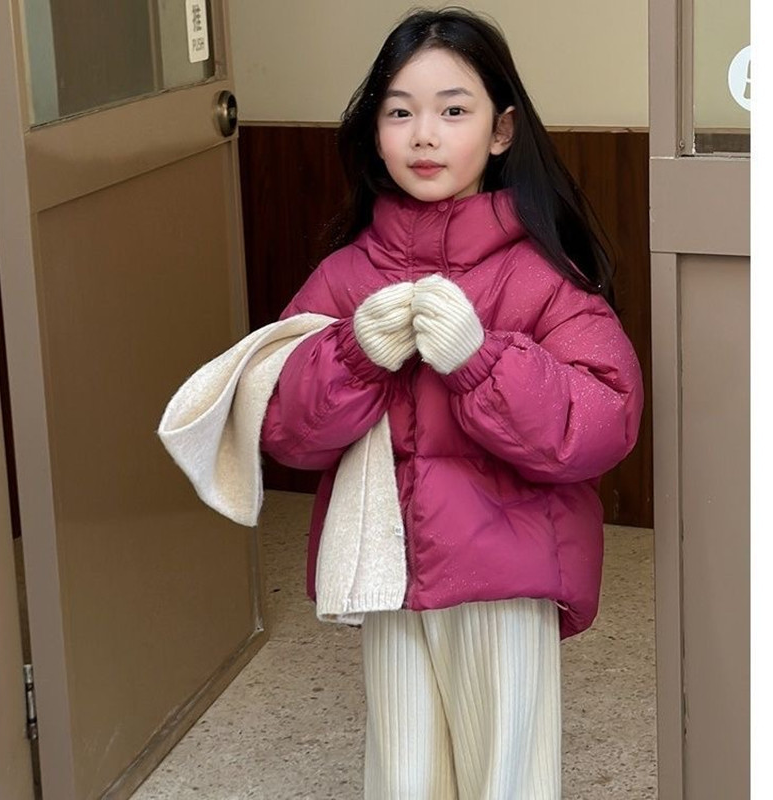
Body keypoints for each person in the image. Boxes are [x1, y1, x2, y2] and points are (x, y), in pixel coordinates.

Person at [259, 7, 644, 799]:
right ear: (374, 130)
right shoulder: (344, 276)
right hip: (389, 574)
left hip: (508, 573)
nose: (423, 134)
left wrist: (482, 361)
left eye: (453, 109)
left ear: (502, 131)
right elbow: (281, 427)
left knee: (507, 773)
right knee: (403, 773)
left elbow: (604, 420)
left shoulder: (542, 272)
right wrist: (350, 354)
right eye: (399, 111)